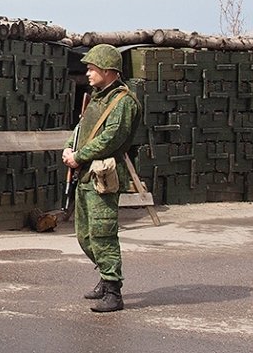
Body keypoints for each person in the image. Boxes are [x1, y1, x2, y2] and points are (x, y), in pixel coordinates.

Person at [62, 43, 141, 313]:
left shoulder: (123, 102)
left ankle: (113, 290)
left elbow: (111, 138)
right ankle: (105, 276)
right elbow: (81, 126)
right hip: (85, 174)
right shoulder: (97, 97)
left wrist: (79, 156)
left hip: (103, 175)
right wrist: (69, 147)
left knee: (103, 233)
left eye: (92, 68)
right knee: (85, 235)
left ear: (108, 71)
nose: (87, 73)